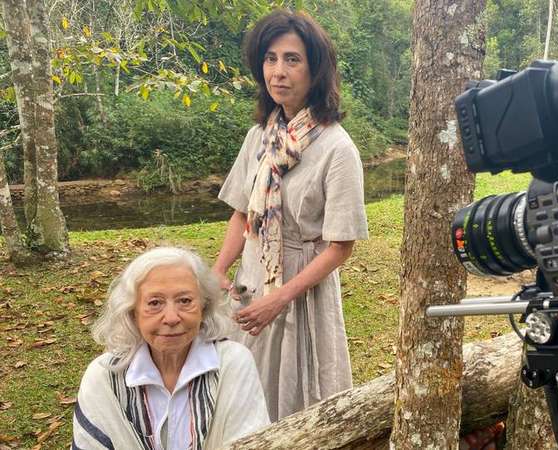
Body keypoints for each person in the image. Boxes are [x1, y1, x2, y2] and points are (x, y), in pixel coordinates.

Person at [213, 9, 368, 422]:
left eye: (292, 59)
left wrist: (279, 298)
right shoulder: (260, 136)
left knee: (300, 398)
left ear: (315, 70)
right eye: (270, 58)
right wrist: (218, 269)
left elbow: (340, 247)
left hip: (300, 288)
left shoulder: (337, 148)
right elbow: (240, 213)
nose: (278, 71)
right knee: (242, 390)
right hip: (251, 277)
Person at [72, 247, 269, 450]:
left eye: (185, 301)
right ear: (132, 313)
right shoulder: (104, 377)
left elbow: (251, 443)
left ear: (203, 307)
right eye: (155, 303)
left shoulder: (233, 363)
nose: (172, 318)